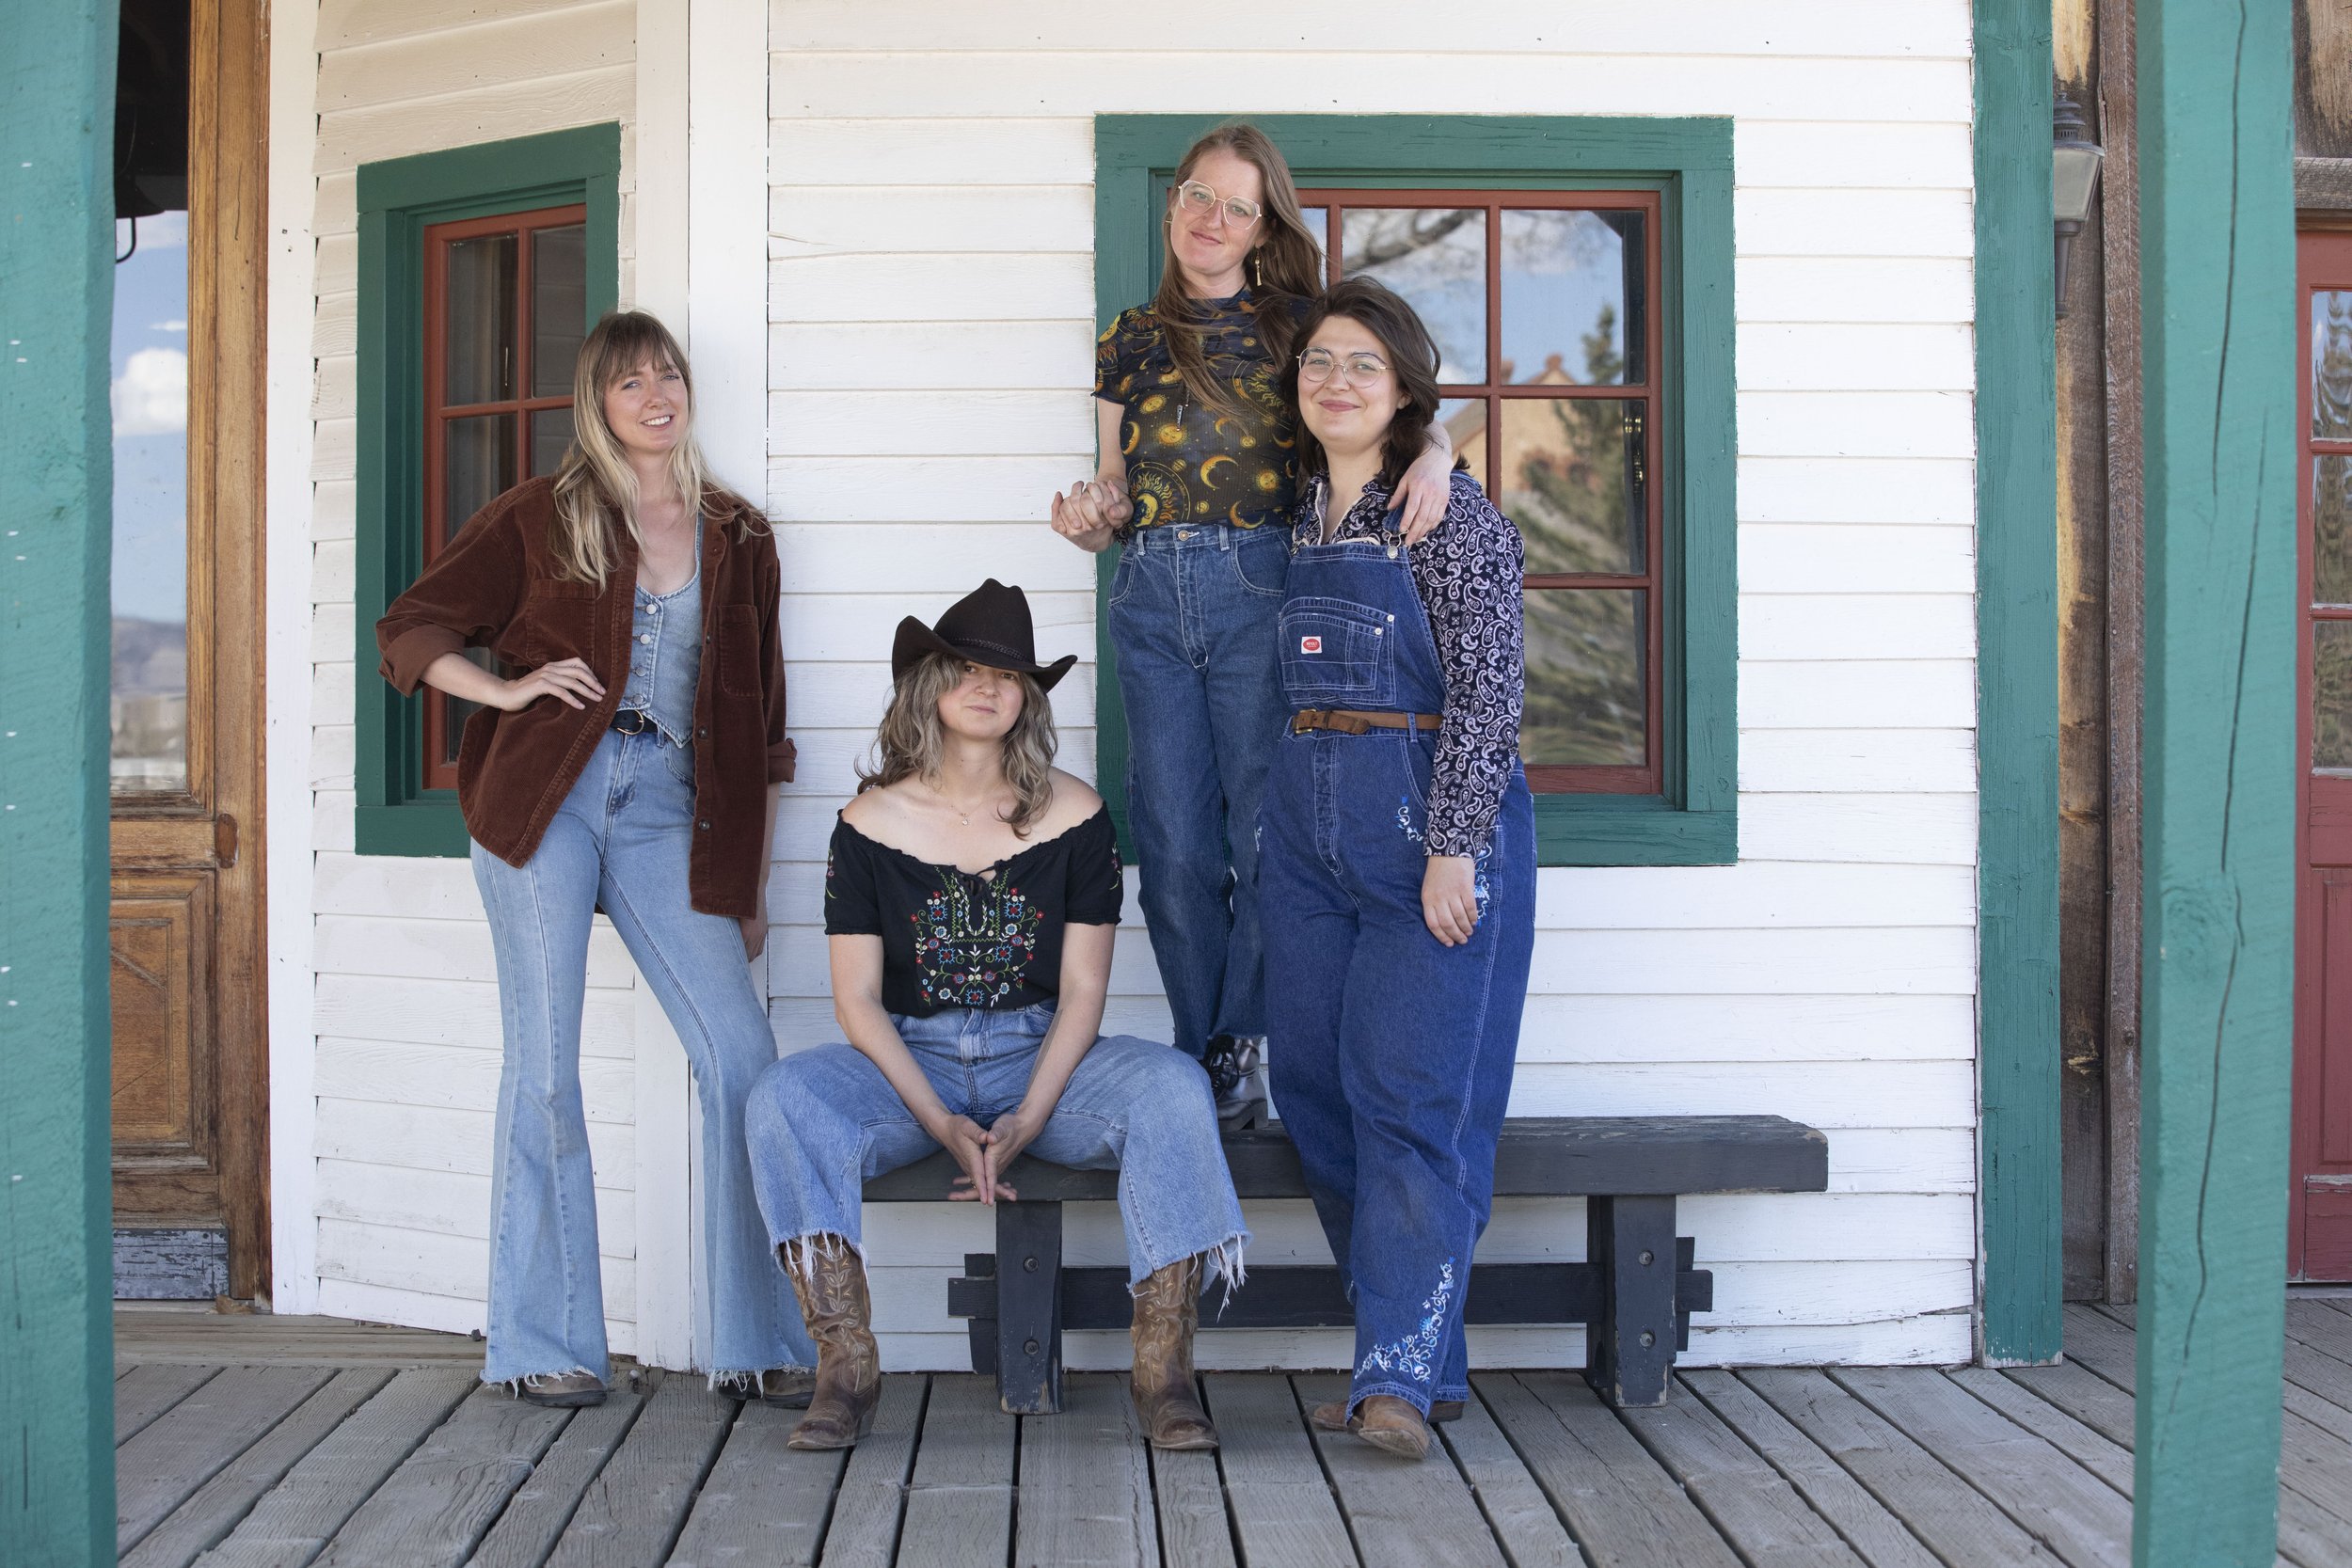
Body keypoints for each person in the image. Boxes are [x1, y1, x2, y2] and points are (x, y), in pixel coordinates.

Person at [374, 309, 815, 1407]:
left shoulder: (739, 534)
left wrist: (749, 883)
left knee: (742, 1056)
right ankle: (543, 1341)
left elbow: (761, 727)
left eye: (668, 375)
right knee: (544, 1064)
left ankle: (758, 1337)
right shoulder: (540, 514)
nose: (656, 396)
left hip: (671, 812)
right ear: (598, 403)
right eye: (630, 383)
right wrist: (504, 689)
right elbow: (412, 627)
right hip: (547, 799)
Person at [744, 580, 1248, 1451]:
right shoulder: (866, 823)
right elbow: (856, 1000)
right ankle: (845, 1370)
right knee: (781, 1097)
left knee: (1173, 1085)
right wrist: (941, 1120)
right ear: (929, 685)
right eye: (968, 667)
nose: (988, 686)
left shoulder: (1078, 815)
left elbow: (1084, 990)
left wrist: (1031, 1116)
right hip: (913, 1065)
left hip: (1043, 1053)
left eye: (1009, 675)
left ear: (1028, 700)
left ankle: (1164, 1375)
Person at [1047, 122, 1456, 1127]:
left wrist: (1440, 456)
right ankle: (1207, 1052)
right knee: (1173, 842)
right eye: (1199, 195)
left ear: (1264, 226)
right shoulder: (1127, 338)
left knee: (1263, 831)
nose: (1212, 218)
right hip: (1147, 592)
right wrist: (1091, 516)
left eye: (1238, 206)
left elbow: (1399, 396)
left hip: (1260, 586)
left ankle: (1244, 1034)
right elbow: (1114, 484)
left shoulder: (1297, 325)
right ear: (1173, 203)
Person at [1259, 277, 1536, 1459]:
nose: (1336, 381)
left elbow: (1489, 693)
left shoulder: (1448, 514)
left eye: (1363, 364)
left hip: (1425, 827)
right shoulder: (1297, 514)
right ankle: (1421, 1358)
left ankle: (1392, 1381)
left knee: (1409, 1104)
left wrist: (1454, 845)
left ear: (1405, 387)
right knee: (1314, 1094)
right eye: (1319, 361)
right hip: (1306, 842)